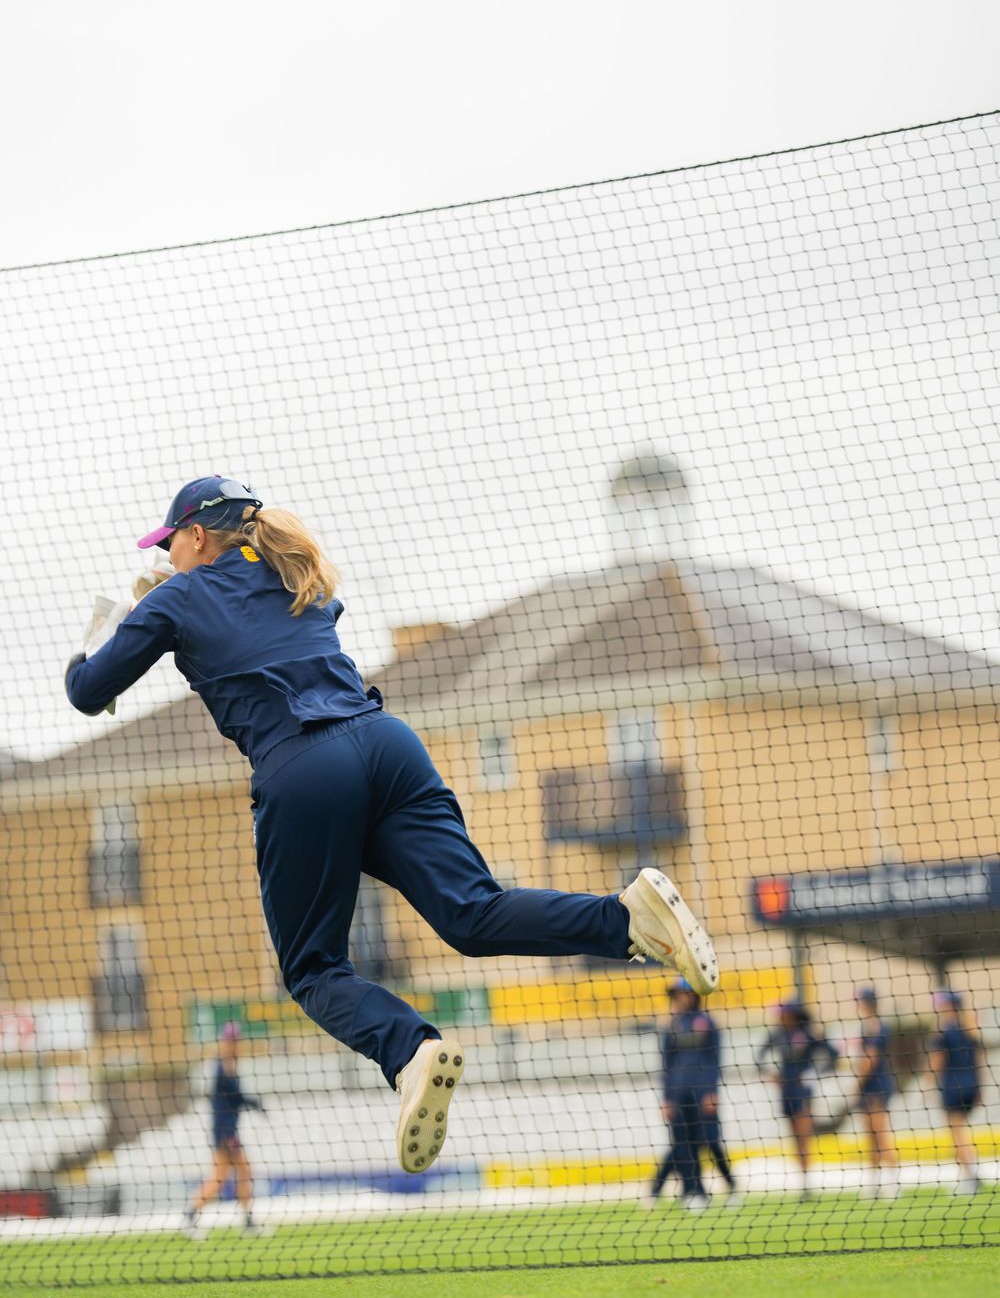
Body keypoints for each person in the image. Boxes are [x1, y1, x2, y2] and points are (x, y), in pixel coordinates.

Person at [66, 476, 719, 1173]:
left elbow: (87, 691)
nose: (168, 556)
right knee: (473, 913)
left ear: (195, 535)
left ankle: (409, 1048)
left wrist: (118, 626)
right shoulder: (295, 573)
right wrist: (164, 603)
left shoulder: (176, 596)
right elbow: (248, 619)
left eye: (172, 544)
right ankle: (626, 919)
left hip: (304, 770)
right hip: (386, 745)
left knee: (314, 970)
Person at [647, 978, 733, 1210]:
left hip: (702, 1094)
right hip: (678, 1094)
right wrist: (666, 1098)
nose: (678, 999)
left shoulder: (707, 1023)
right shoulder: (671, 1026)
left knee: (708, 1140)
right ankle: (692, 1191)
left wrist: (712, 1092)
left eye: (681, 994)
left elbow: (715, 1061)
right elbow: (666, 1065)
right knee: (682, 1145)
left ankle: (728, 1186)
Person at [185, 1022, 263, 1234]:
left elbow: (234, 1099)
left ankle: (246, 1221)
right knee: (224, 1177)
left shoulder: (228, 1064)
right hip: (225, 1132)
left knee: (234, 1174)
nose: (236, 1044)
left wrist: (250, 1103)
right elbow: (232, 1099)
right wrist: (251, 1103)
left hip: (227, 1131)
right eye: (233, 1040)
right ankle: (191, 1215)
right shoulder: (223, 1066)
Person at [756, 999, 838, 1198]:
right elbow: (760, 1056)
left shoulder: (806, 1033)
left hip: (803, 1090)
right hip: (786, 1089)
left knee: (804, 1137)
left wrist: (816, 1073)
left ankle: (807, 1182)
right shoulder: (778, 1034)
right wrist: (771, 1074)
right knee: (794, 1138)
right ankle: (803, 1182)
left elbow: (832, 1054)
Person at [928, 987, 983, 1196]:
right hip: (970, 1084)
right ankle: (972, 1172)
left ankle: (968, 1177)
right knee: (963, 1131)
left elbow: (937, 1061)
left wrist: (928, 1084)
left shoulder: (944, 1030)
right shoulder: (970, 1029)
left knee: (957, 1133)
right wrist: (979, 1088)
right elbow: (979, 1060)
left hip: (952, 1085)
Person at [854, 985, 900, 1199]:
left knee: (880, 1134)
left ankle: (892, 1183)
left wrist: (856, 1084)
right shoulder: (866, 1026)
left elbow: (870, 1059)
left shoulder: (877, 1026)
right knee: (870, 1136)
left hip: (876, 1087)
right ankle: (873, 1183)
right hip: (869, 1087)